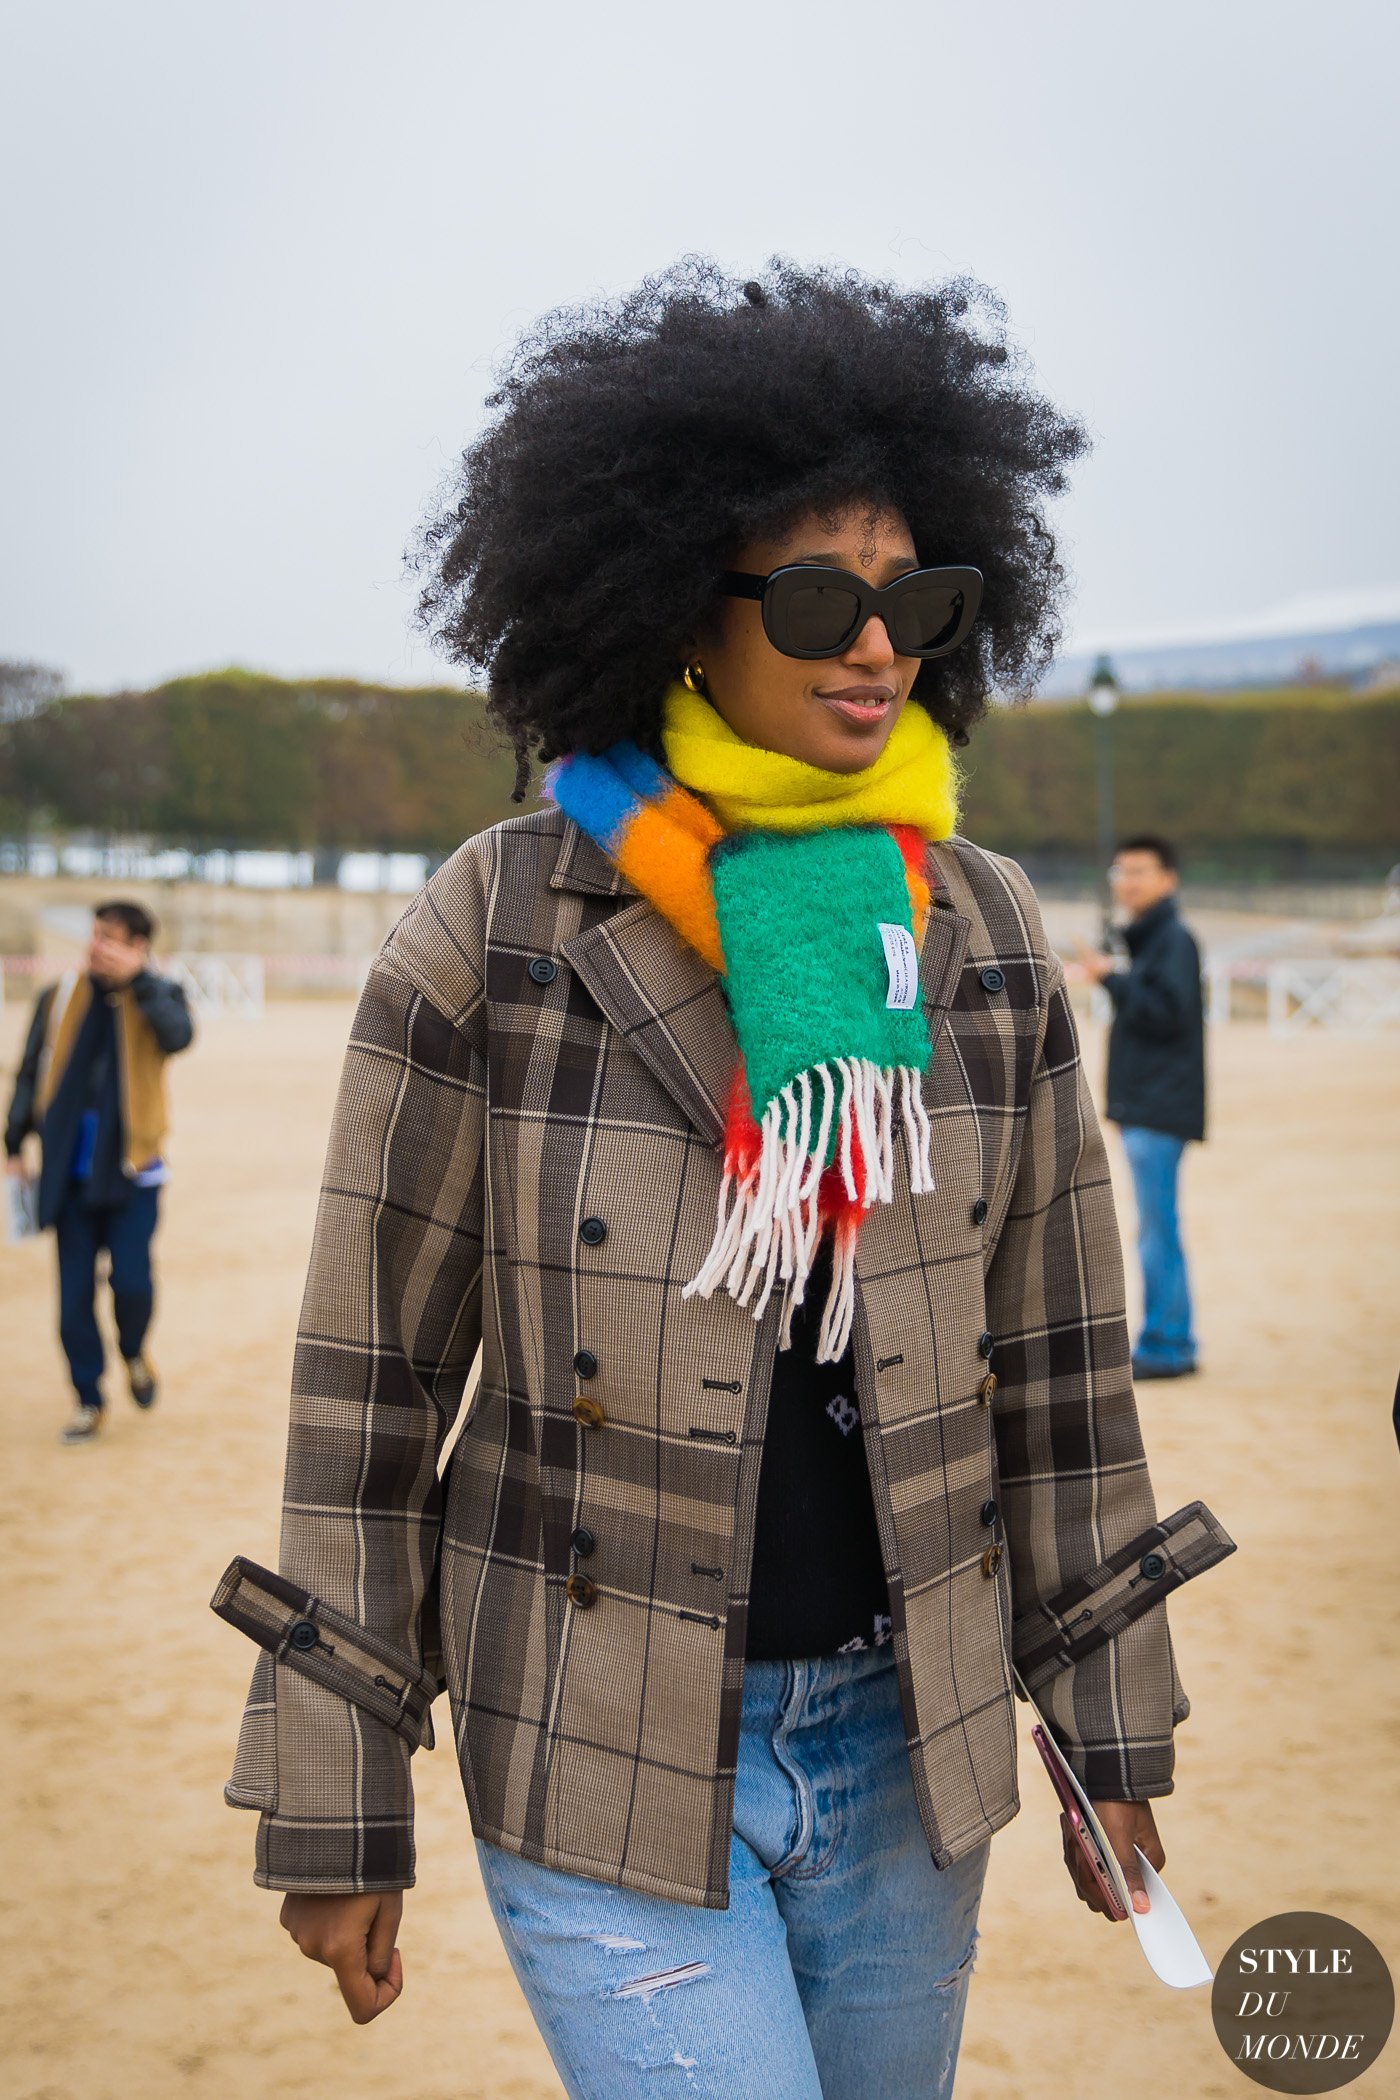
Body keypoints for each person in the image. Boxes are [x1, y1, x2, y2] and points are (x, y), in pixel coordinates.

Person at [212, 264, 1234, 2099]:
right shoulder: (501, 921)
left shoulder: (979, 927)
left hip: (914, 1748)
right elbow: (367, 1383)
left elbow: (1066, 1372)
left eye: (918, 599)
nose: (877, 648)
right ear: (683, 607)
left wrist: (1109, 1730)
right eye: (826, 598)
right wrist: (335, 1792)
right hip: (591, 1736)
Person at [5, 899, 194, 1441]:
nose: (97, 946)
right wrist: (15, 1139)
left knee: (132, 1283)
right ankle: (88, 1399)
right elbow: (29, 1071)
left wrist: (140, 984)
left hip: (135, 1170)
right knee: (72, 1301)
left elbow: (179, 1036)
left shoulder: (158, 994)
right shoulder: (60, 996)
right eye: (96, 935)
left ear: (138, 947)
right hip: (68, 1171)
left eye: (112, 938)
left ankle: (134, 1353)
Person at [1079, 835, 1205, 1380]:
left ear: (1167, 879)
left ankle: (1167, 1344)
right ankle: (1168, 1337)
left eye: (1138, 872)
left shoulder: (1173, 939)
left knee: (1157, 1228)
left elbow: (1168, 1014)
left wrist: (1111, 978)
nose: (1127, 882)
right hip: (1149, 1103)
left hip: (1159, 1105)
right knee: (1155, 1225)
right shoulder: (1152, 939)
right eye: (1120, 872)